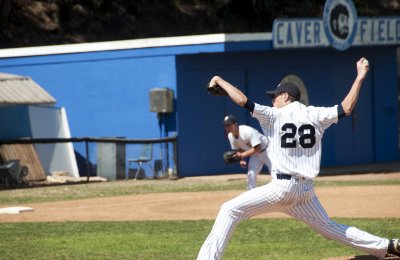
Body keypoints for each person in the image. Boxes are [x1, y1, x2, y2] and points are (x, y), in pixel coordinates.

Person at [197, 58, 400, 260]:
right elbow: (346, 108)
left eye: (275, 96)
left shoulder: (272, 115)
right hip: (305, 193)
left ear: (286, 96)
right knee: (330, 228)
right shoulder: (314, 114)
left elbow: (242, 101)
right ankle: (388, 246)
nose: (272, 100)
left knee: (229, 210)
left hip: (281, 189)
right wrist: (360, 77)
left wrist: (219, 79)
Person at [222, 114, 270, 190]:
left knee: (275, 173)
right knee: (251, 174)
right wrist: (241, 160)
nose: (227, 127)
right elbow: (238, 149)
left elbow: (258, 147)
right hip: (255, 155)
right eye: (225, 125)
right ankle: (251, 195)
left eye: (229, 125)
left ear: (235, 124)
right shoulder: (230, 136)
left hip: (268, 151)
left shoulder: (247, 131)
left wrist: (242, 155)